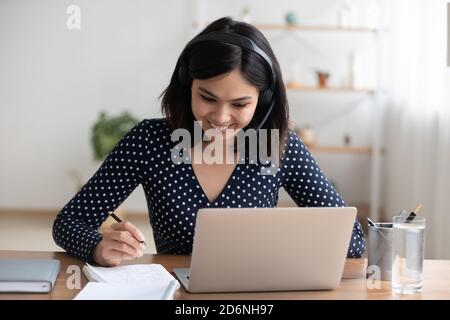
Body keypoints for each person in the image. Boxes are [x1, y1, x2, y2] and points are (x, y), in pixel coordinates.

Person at [53, 17, 365, 267]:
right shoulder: (149, 141)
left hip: (256, 296)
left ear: (263, 100)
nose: (220, 117)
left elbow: (353, 240)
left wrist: (287, 245)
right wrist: (97, 247)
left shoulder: (279, 146)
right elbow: (68, 223)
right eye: (207, 98)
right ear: (187, 85)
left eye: (240, 104)